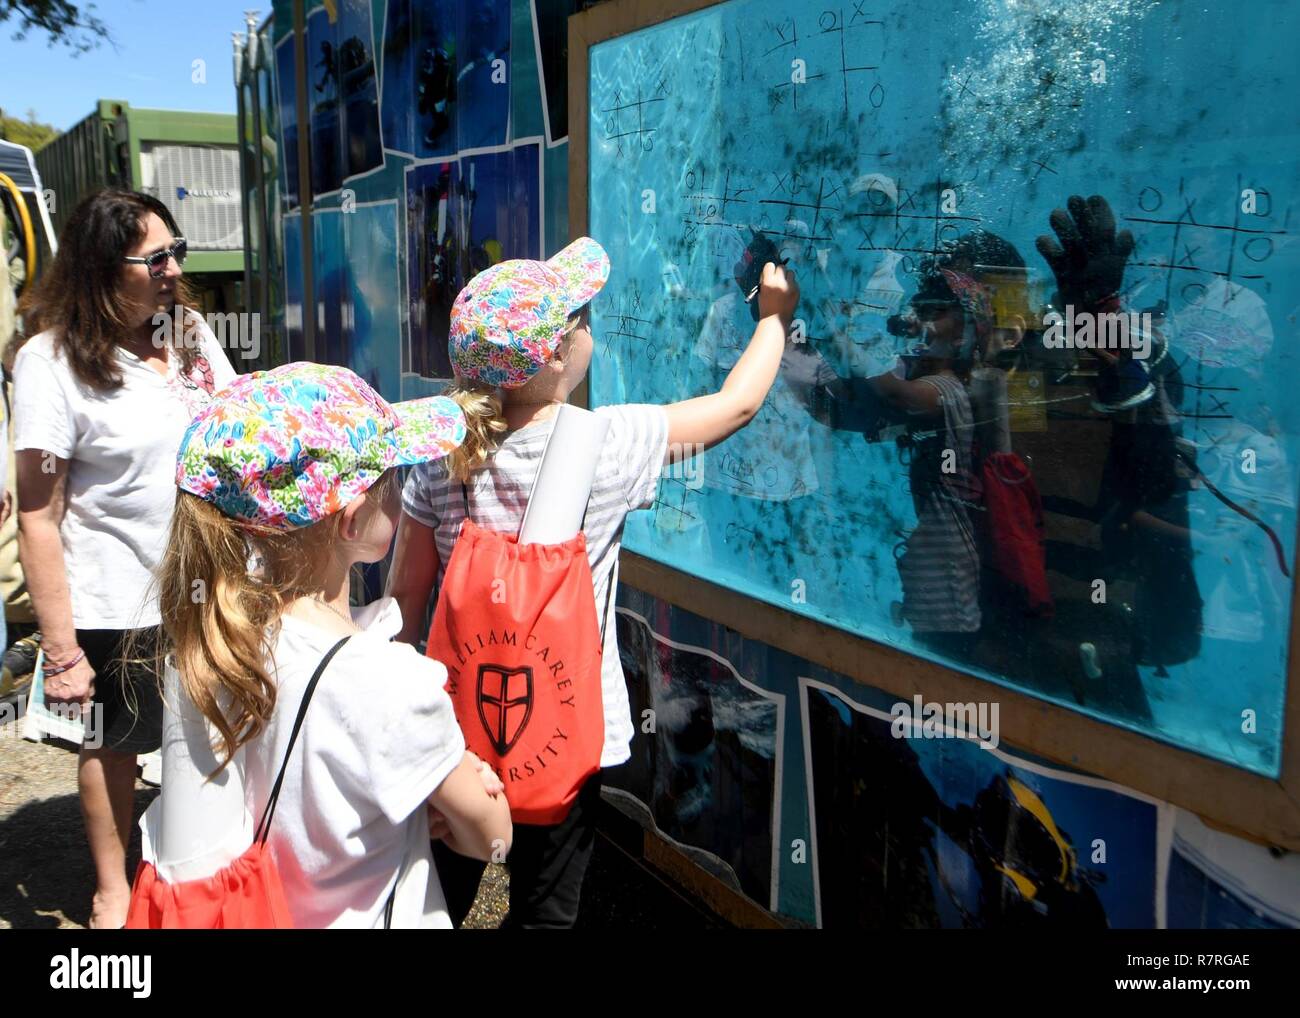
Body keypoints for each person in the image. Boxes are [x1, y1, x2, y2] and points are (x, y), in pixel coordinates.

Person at [388, 236, 799, 927]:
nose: (589, 327)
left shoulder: (442, 457)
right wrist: (775, 318)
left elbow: (404, 599)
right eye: (581, 318)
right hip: (569, 733)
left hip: (458, 735)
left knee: (456, 891)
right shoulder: (605, 443)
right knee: (548, 905)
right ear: (555, 355)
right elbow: (735, 407)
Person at [155, 361, 512, 928]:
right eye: (389, 477)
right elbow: (491, 836)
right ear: (351, 521)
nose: (399, 489)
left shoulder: (212, 644)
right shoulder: (394, 682)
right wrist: (454, 785)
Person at [12, 188, 238, 928]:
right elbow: (40, 515)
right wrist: (61, 649)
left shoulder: (191, 333)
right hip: (118, 596)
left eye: (178, 252)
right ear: (103, 270)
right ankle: (113, 888)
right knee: (114, 745)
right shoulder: (51, 361)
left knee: (211, 733)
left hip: (208, 586)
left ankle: (198, 866)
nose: (174, 269)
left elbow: (239, 427)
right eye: (156, 258)